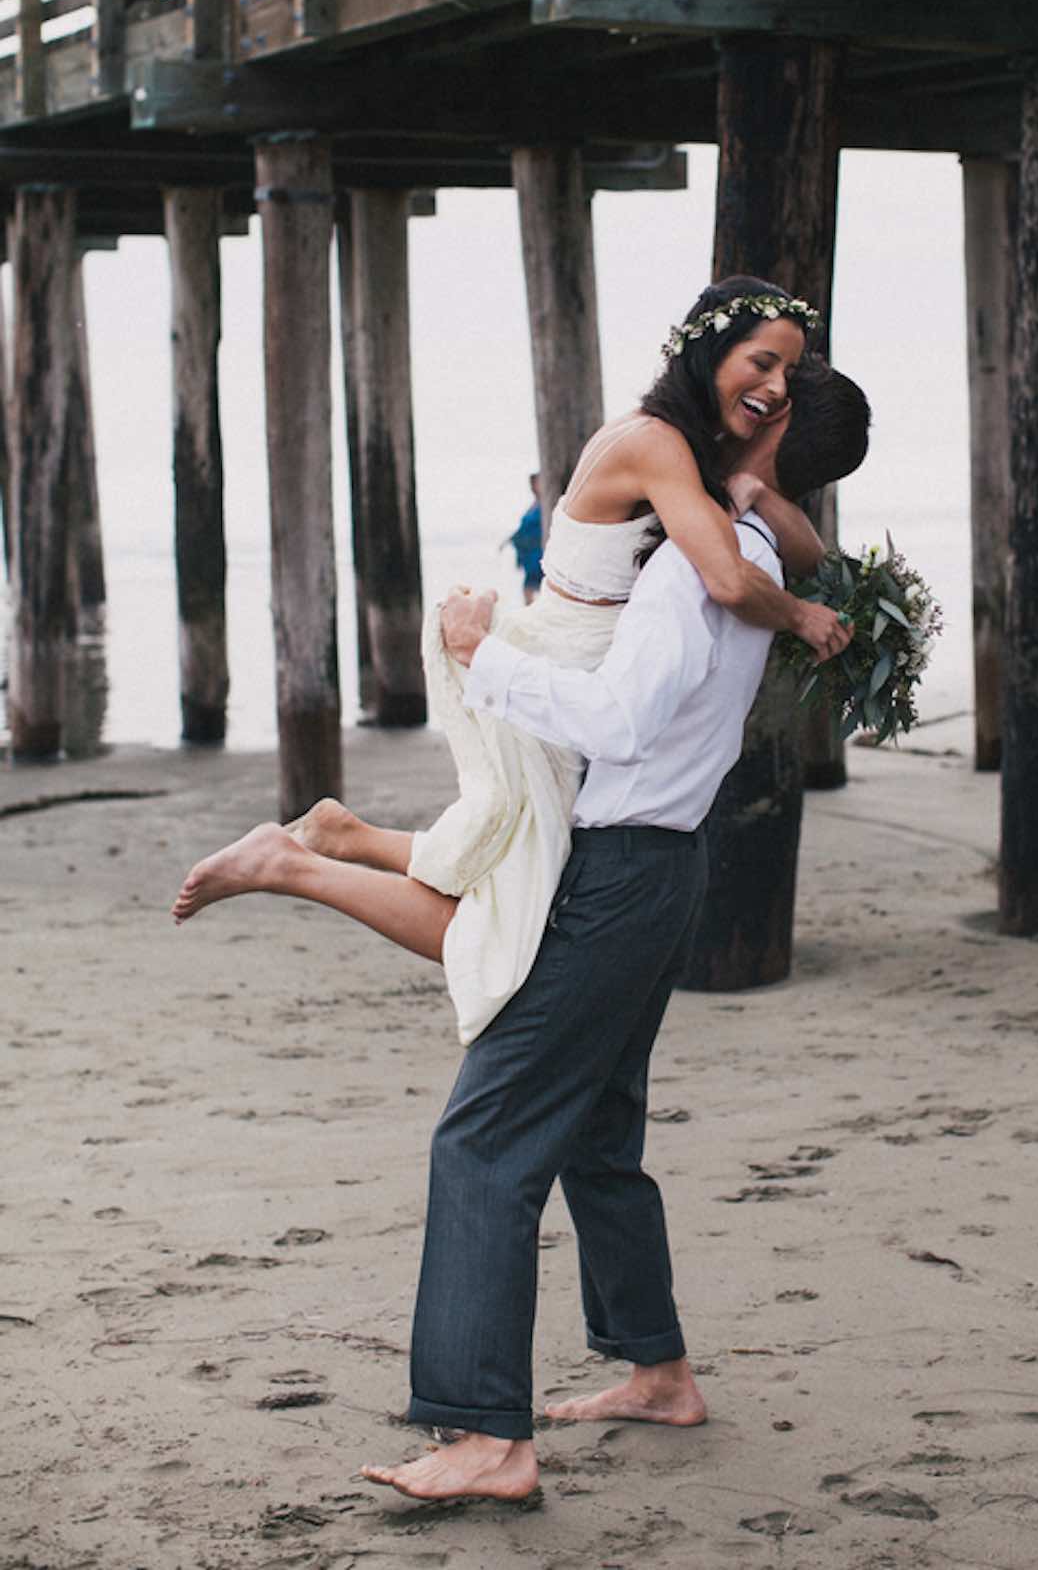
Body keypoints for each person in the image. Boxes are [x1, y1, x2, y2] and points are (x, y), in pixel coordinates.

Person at [355, 357, 871, 1505]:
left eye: (767, 400)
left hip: (623, 868)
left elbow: (618, 721)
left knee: (483, 1143)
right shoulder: (758, 557)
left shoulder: (697, 580)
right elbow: (775, 557)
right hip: (666, 867)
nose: (744, 403)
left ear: (770, 437)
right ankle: (659, 1374)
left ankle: (487, 1440)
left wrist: (481, 654)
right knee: (595, 1133)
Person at [174, 278, 853, 1051]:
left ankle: (342, 833)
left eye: (787, 378)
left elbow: (807, 551)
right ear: (707, 349)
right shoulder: (655, 443)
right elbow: (732, 581)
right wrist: (800, 615)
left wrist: (752, 489)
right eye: (761, 363)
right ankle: (286, 864)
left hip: (560, 688)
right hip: (534, 683)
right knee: (505, 928)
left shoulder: (701, 452)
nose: (772, 388)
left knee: (504, 876)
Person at [504, 473, 543, 603]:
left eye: (535, 483)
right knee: (529, 588)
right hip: (529, 553)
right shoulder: (534, 504)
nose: (532, 487)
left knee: (535, 587)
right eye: (531, 484)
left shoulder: (545, 504)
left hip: (539, 553)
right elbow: (523, 527)